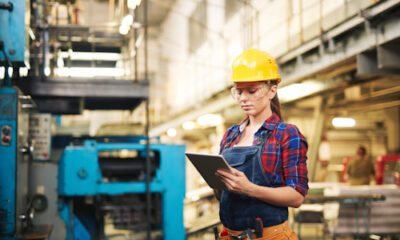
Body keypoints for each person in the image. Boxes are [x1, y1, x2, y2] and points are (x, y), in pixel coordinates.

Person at [215, 49, 309, 240]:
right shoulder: (231, 135)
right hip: (229, 235)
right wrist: (217, 181)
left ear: (272, 90)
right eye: (239, 91)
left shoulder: (287, 134)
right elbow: (221, 196)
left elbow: (297, 196)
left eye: (252, 91)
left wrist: (249, 188)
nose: (243, 98)